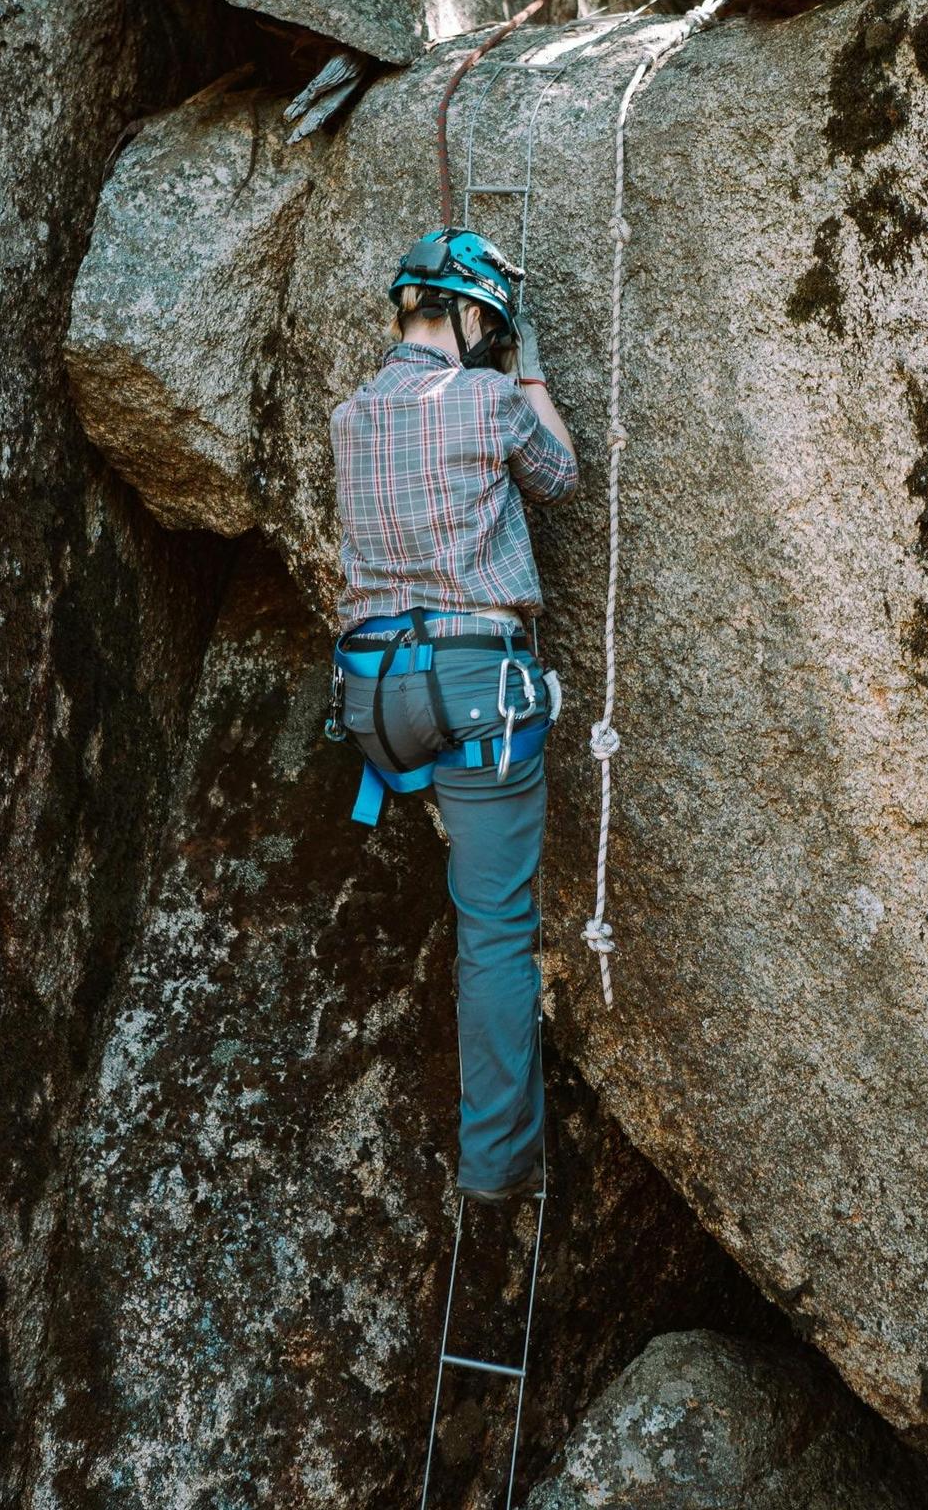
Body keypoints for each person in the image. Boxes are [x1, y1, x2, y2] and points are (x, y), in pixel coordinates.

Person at [327, 228, 578, 1206]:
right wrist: (530, 375)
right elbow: (560, 477)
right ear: (474, 319)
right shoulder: (485, 397)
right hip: (477, 689)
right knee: (496, 932)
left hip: (378, 704)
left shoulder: (351, 416)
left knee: (474, 894)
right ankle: (498, 1162)